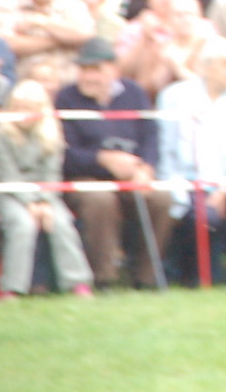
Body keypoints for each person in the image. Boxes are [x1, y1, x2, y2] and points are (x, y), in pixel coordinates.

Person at [56, 37, 173, 289]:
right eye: (84, 69)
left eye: (95, 69)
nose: (88, 76)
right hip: (86, 175)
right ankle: (104, 278)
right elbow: (64, 153)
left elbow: (151, 134)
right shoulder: (66, 98)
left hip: (131, 173)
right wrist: (102, 159)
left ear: (113, 70)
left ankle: (146, 277)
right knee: (101, 199)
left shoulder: (134, 92)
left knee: (161, 197)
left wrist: (146, 168)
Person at [157, 38, 226, 285]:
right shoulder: (175, 96)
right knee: (203, 214)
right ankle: (200, 275)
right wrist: (178, 186)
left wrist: (225, 186)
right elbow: (166, 151)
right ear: (206, 66)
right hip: (188, 179)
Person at [0, 80, 94, 298]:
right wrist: (30, 202)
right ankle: (12, 287)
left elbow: (52, 174)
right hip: (11, 195)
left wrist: (45, 201)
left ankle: (77, 282)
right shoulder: (0, 135)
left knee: (62, 223)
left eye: (28, 108)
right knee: (22, 224)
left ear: (40, 109)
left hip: (46, 193)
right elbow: (8, 174)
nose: (22, 113)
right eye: (18, 107)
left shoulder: (52, 135)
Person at [116, 0, 214, 99]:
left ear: (199, 16)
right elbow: (147, 87)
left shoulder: (210, 47)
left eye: (189, 14)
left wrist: (177, 67)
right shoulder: (161, 47)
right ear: (169, 19)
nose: (184, 19)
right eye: (178, 15)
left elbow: (210, 87)